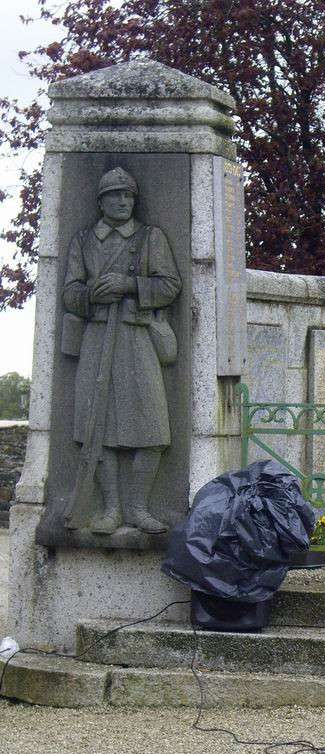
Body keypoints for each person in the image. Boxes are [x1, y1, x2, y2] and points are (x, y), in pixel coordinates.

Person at [62, 166, 182, 534]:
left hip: (137, 338)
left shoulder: (150, 237)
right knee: (96, 427)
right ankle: (110, 509)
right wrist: (91, 294)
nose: (123, 201)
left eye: (128, 195)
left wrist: (130, 285)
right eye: (115, 195)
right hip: (97, 340)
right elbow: (69, 293)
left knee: (153, 430)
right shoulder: (83, 240)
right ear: (101, 201)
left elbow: (170, 285)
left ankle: (137, 508)